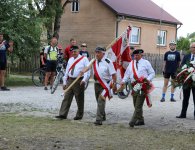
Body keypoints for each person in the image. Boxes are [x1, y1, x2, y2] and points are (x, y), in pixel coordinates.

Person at [81, 46, 117, 125]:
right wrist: (82, 71)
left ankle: (98, 119)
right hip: (96, 84)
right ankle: (103, 115)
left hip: (105, 85)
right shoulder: (94, 61)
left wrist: (114, 84)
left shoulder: (108, 62)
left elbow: (114, 74)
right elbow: (87, 67)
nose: (96, 54)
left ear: (103, 53)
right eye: (96, 52)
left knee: (101, 100)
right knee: (99, 101)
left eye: (98, 52)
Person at [121, 49, 155, 127]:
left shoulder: (146, 63)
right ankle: (140, 120)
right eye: (134, 55)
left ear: (141, 55)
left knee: (138, 104)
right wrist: (123, 81)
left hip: (142, 85)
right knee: (135, 102)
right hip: (135, 86)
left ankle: (132, 121)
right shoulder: (131, 63)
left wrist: (147, 80)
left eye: (137, 55)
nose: (135, 57)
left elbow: (152, 73)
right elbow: (127, 74)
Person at [55, 45, 90, 120]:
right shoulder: (70, 59)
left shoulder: (84, 59)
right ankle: (63, 114)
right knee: (66, 97)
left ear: (78, 51)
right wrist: (64, 82)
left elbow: (87, 71)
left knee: (79, 98)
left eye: (75, 51)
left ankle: (79, 115)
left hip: (79, 80)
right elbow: (67, 71)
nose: (73, 53)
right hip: (70, 80)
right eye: (72, 52)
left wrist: (84, 80)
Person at [176, 42, 195, 120]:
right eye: (193, 47)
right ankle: (183, 114)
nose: (194, 49)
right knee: (185, 98)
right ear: (190, 48)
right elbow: (182, 66)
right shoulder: (186, 56)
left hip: (194, 81)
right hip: (187, 80)